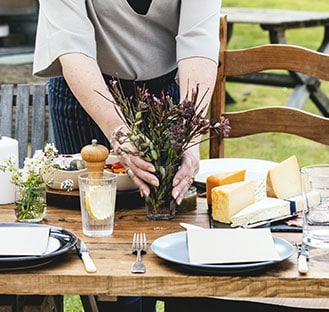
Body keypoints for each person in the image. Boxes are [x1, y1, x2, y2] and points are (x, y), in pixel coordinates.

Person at [33, 1, 221, 311]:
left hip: (164, 92)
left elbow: (198, 40)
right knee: (102, 245)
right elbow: (73, 48)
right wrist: (119, 134)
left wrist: (189, 131)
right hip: (87, 91)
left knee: (164, 229)